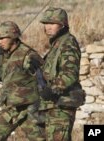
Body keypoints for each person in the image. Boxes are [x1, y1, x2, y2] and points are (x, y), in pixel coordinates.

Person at [0, 21, 44, 141]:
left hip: (29, 109)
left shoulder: (28, 54)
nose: (0, 41)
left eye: (2, 38)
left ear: (13, 36)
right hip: (11, 108)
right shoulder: (4, 55)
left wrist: (33, 64)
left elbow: (43, 77)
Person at [38, 7, 85, 141]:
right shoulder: (56, 44)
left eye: (52, 23)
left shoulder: (68, 42)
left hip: (62, 104)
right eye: (46, 24)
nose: (48, 27)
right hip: (53, 104)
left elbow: (70, 74)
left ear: (63, 24)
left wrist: (52, 89)